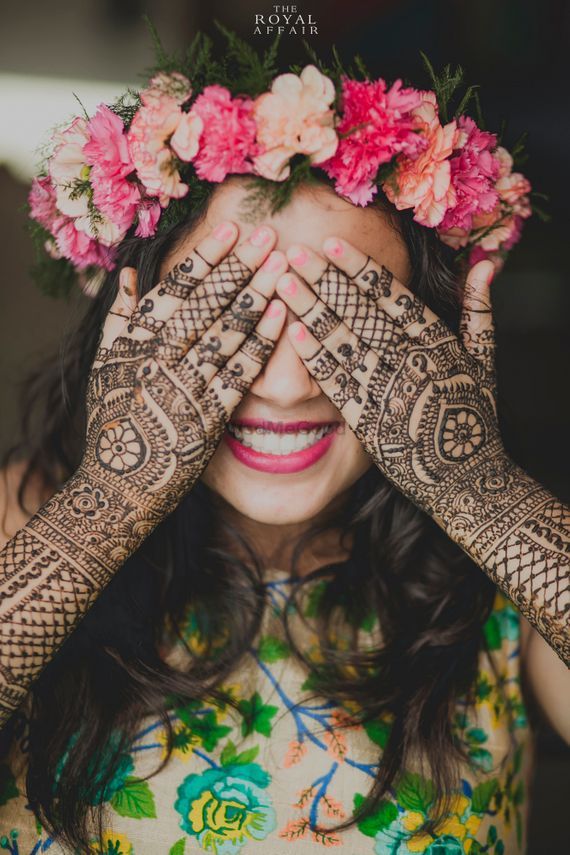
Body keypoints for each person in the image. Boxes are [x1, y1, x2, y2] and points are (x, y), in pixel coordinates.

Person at [0, 37, 568, 854]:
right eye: (227, 313)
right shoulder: (22, 514)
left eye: (347, 319)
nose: (287, 383)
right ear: (132, 321)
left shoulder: (504, 578)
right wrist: (104, 505)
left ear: (434, 337)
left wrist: (483, 495)